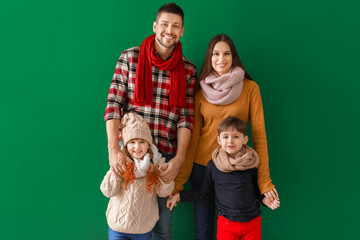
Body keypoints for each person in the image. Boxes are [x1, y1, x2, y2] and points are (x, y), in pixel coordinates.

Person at [103, 3, 196, 239]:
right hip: (131, 158)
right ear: (155, 26)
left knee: (163, 228)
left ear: (182, 31)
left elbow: (186, 118)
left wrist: (180, 159)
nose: (169, 30)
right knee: (123, 220)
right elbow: (113, 106)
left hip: (164, 162)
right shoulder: (130, 58)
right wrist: (114, 150)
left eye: (175, 26)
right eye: (164, 24)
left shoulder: (188, 70)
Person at [173, 34, 279, 239]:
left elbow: (259, 135)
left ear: (233, 57)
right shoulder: (200, 91)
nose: (221, 59)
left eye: (226, 53)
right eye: (215, 54)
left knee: (239, 228)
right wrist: (179, 182)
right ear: (209, 58)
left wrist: (264, 182)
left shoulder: (250, 88)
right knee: (203, 231)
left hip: (239, 169)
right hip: (203, 167)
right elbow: (193, 138)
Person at [168, 117, 280, 240]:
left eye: (236, 137)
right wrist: (179, 196)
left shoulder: (251, 163)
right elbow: (205, 192)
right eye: (225, 137)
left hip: (252, 223)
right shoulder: (213, 165)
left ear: (245, 139)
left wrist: (265, 200)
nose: (230, 141)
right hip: (227, 224)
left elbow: (257, 191)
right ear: (219, 140)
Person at [101, 112, 174, 240]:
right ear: (125, 145)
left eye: (142, 142)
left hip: (143, 228)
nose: (137, 147)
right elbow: (107, 191)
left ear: (148, 145)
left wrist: (164, 177)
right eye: (132, 142)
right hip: (118, 226)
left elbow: (163, 192)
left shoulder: (155, 166)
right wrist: (116, 172)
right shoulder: (121, 164)